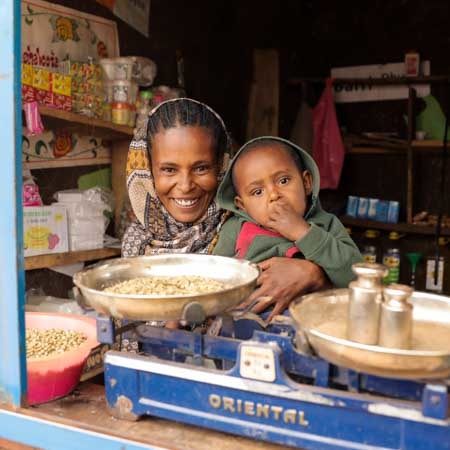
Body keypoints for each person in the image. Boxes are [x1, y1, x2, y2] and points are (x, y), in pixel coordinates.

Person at [122, 99, 330, 320]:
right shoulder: (136, 242)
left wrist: (314, 273)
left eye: (201, 168)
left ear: (221, 167)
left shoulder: (253, 220)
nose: (185, 185)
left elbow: (344, 284)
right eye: (169, 169)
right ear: (147, 171)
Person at [213, 136, 362, 315]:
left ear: (306, 183)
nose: (274, 195)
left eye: (283, 181)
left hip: (312, 327)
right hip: (242, 326)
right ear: (242, 205)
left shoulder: (326, 224)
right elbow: (214, 280)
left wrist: (303, 232)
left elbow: (356, 279)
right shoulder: (235, 229)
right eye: (257, 192)